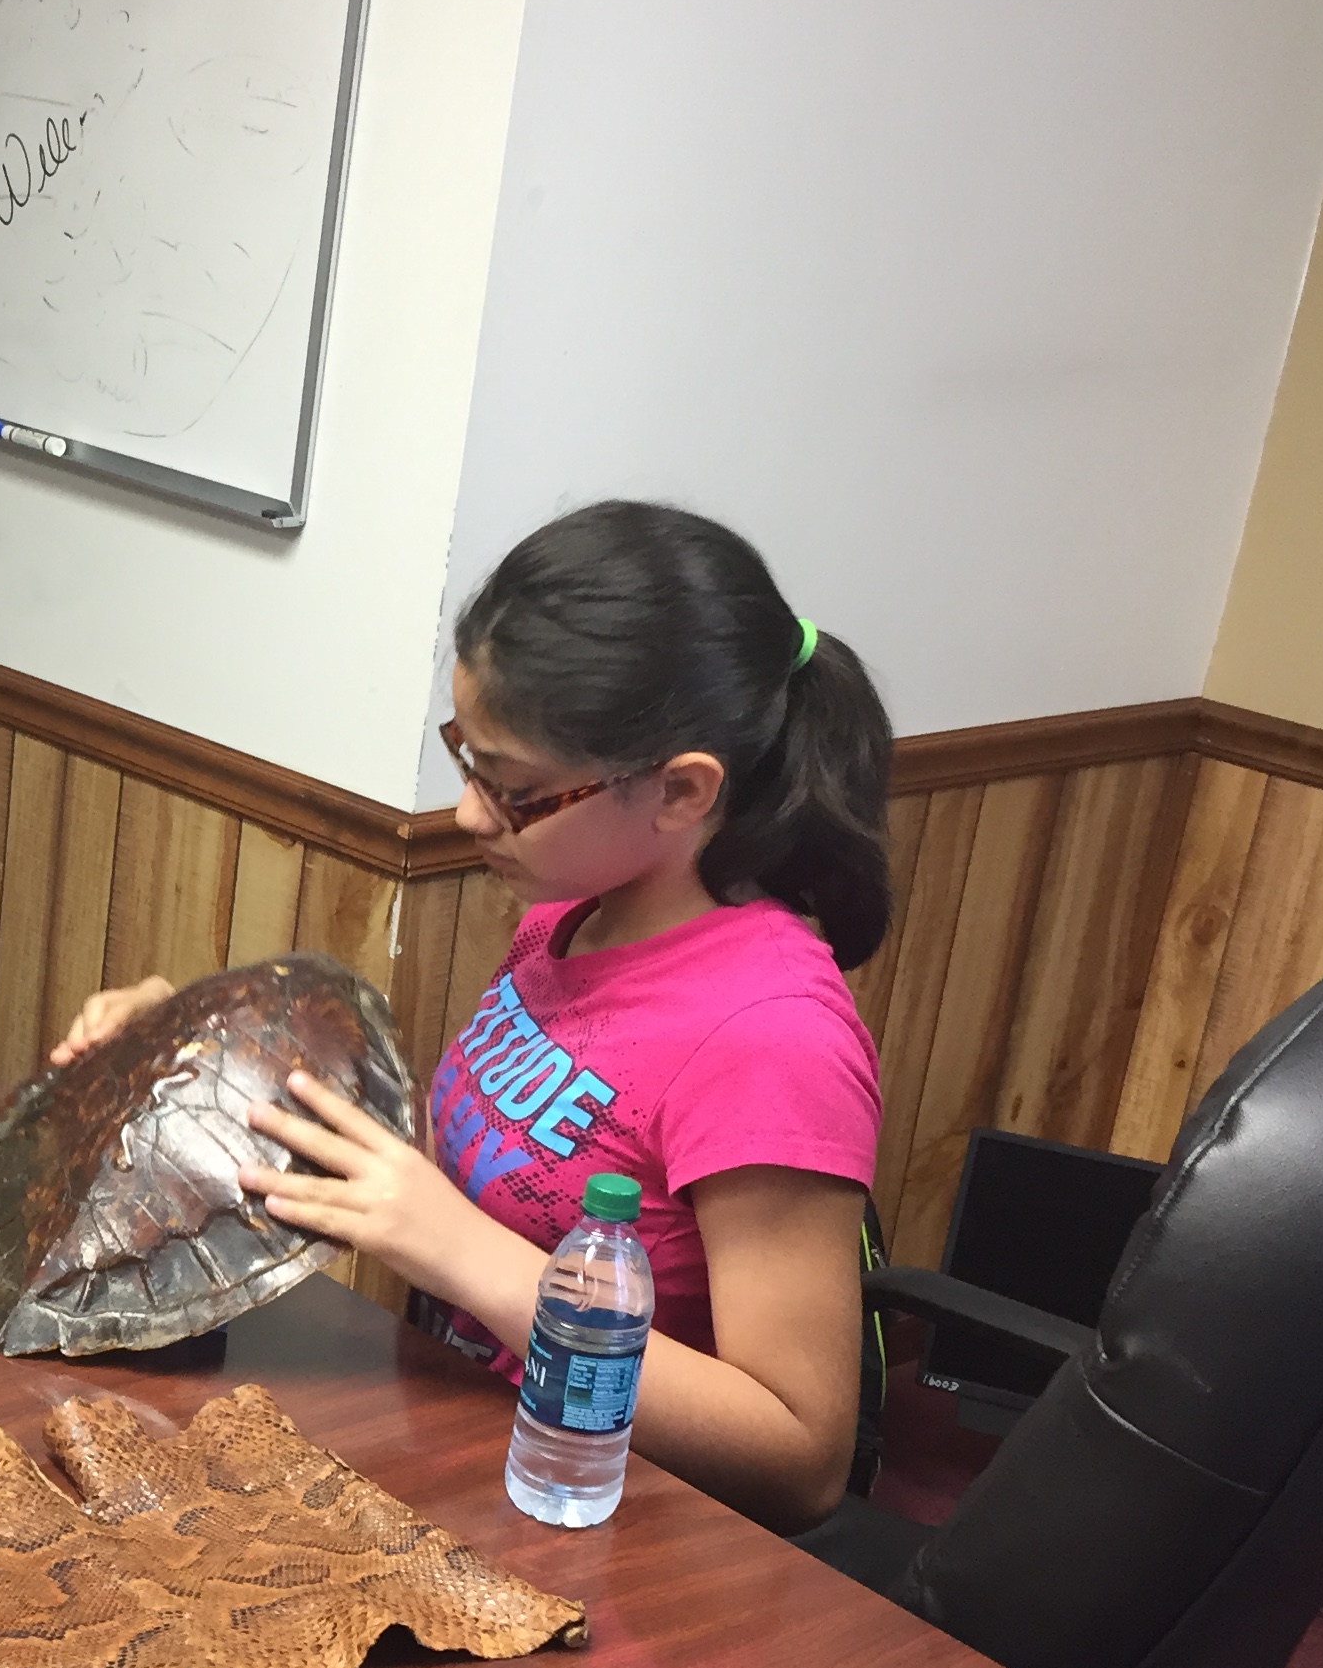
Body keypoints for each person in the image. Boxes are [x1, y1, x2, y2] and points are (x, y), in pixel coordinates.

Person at [56, 501, 888, 1529]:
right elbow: (482, 1173)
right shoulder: (571, 919)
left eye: (515, 791)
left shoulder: (772, 1034)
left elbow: (800, 1455)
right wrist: (193, 1044)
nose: (466, 815)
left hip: (618, 1538)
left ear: (680, 791)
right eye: (468, 760)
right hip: (457, 1457)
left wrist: (466, 1257)